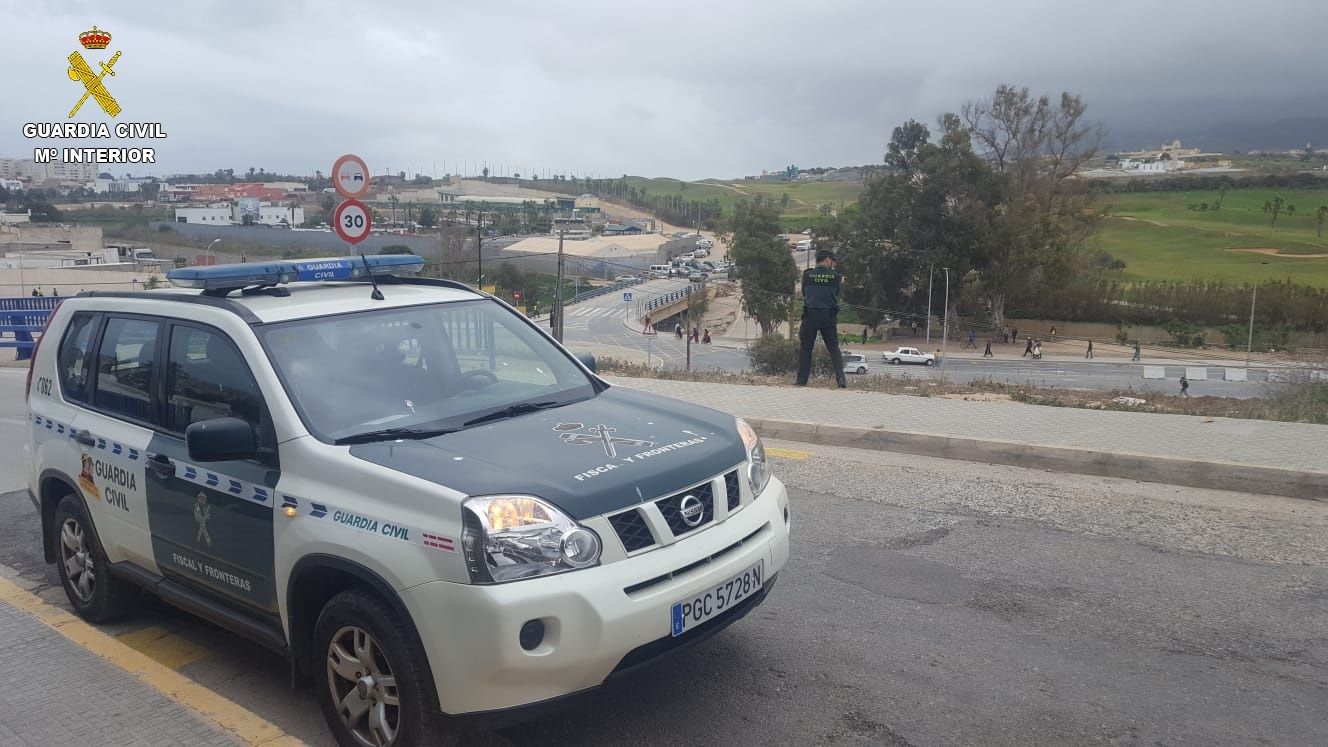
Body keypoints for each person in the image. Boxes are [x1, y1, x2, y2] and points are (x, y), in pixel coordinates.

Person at [796, 248, 847, 388]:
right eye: (832, 261)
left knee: (806, 349)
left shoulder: (807, 275)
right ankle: (841, 379)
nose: (833, 264)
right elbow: (837, 294)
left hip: (810, 315)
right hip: (828, 316)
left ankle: (802, 380)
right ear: (827, 260)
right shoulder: (836, 276)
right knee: (833, 349)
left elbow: (805, 291)